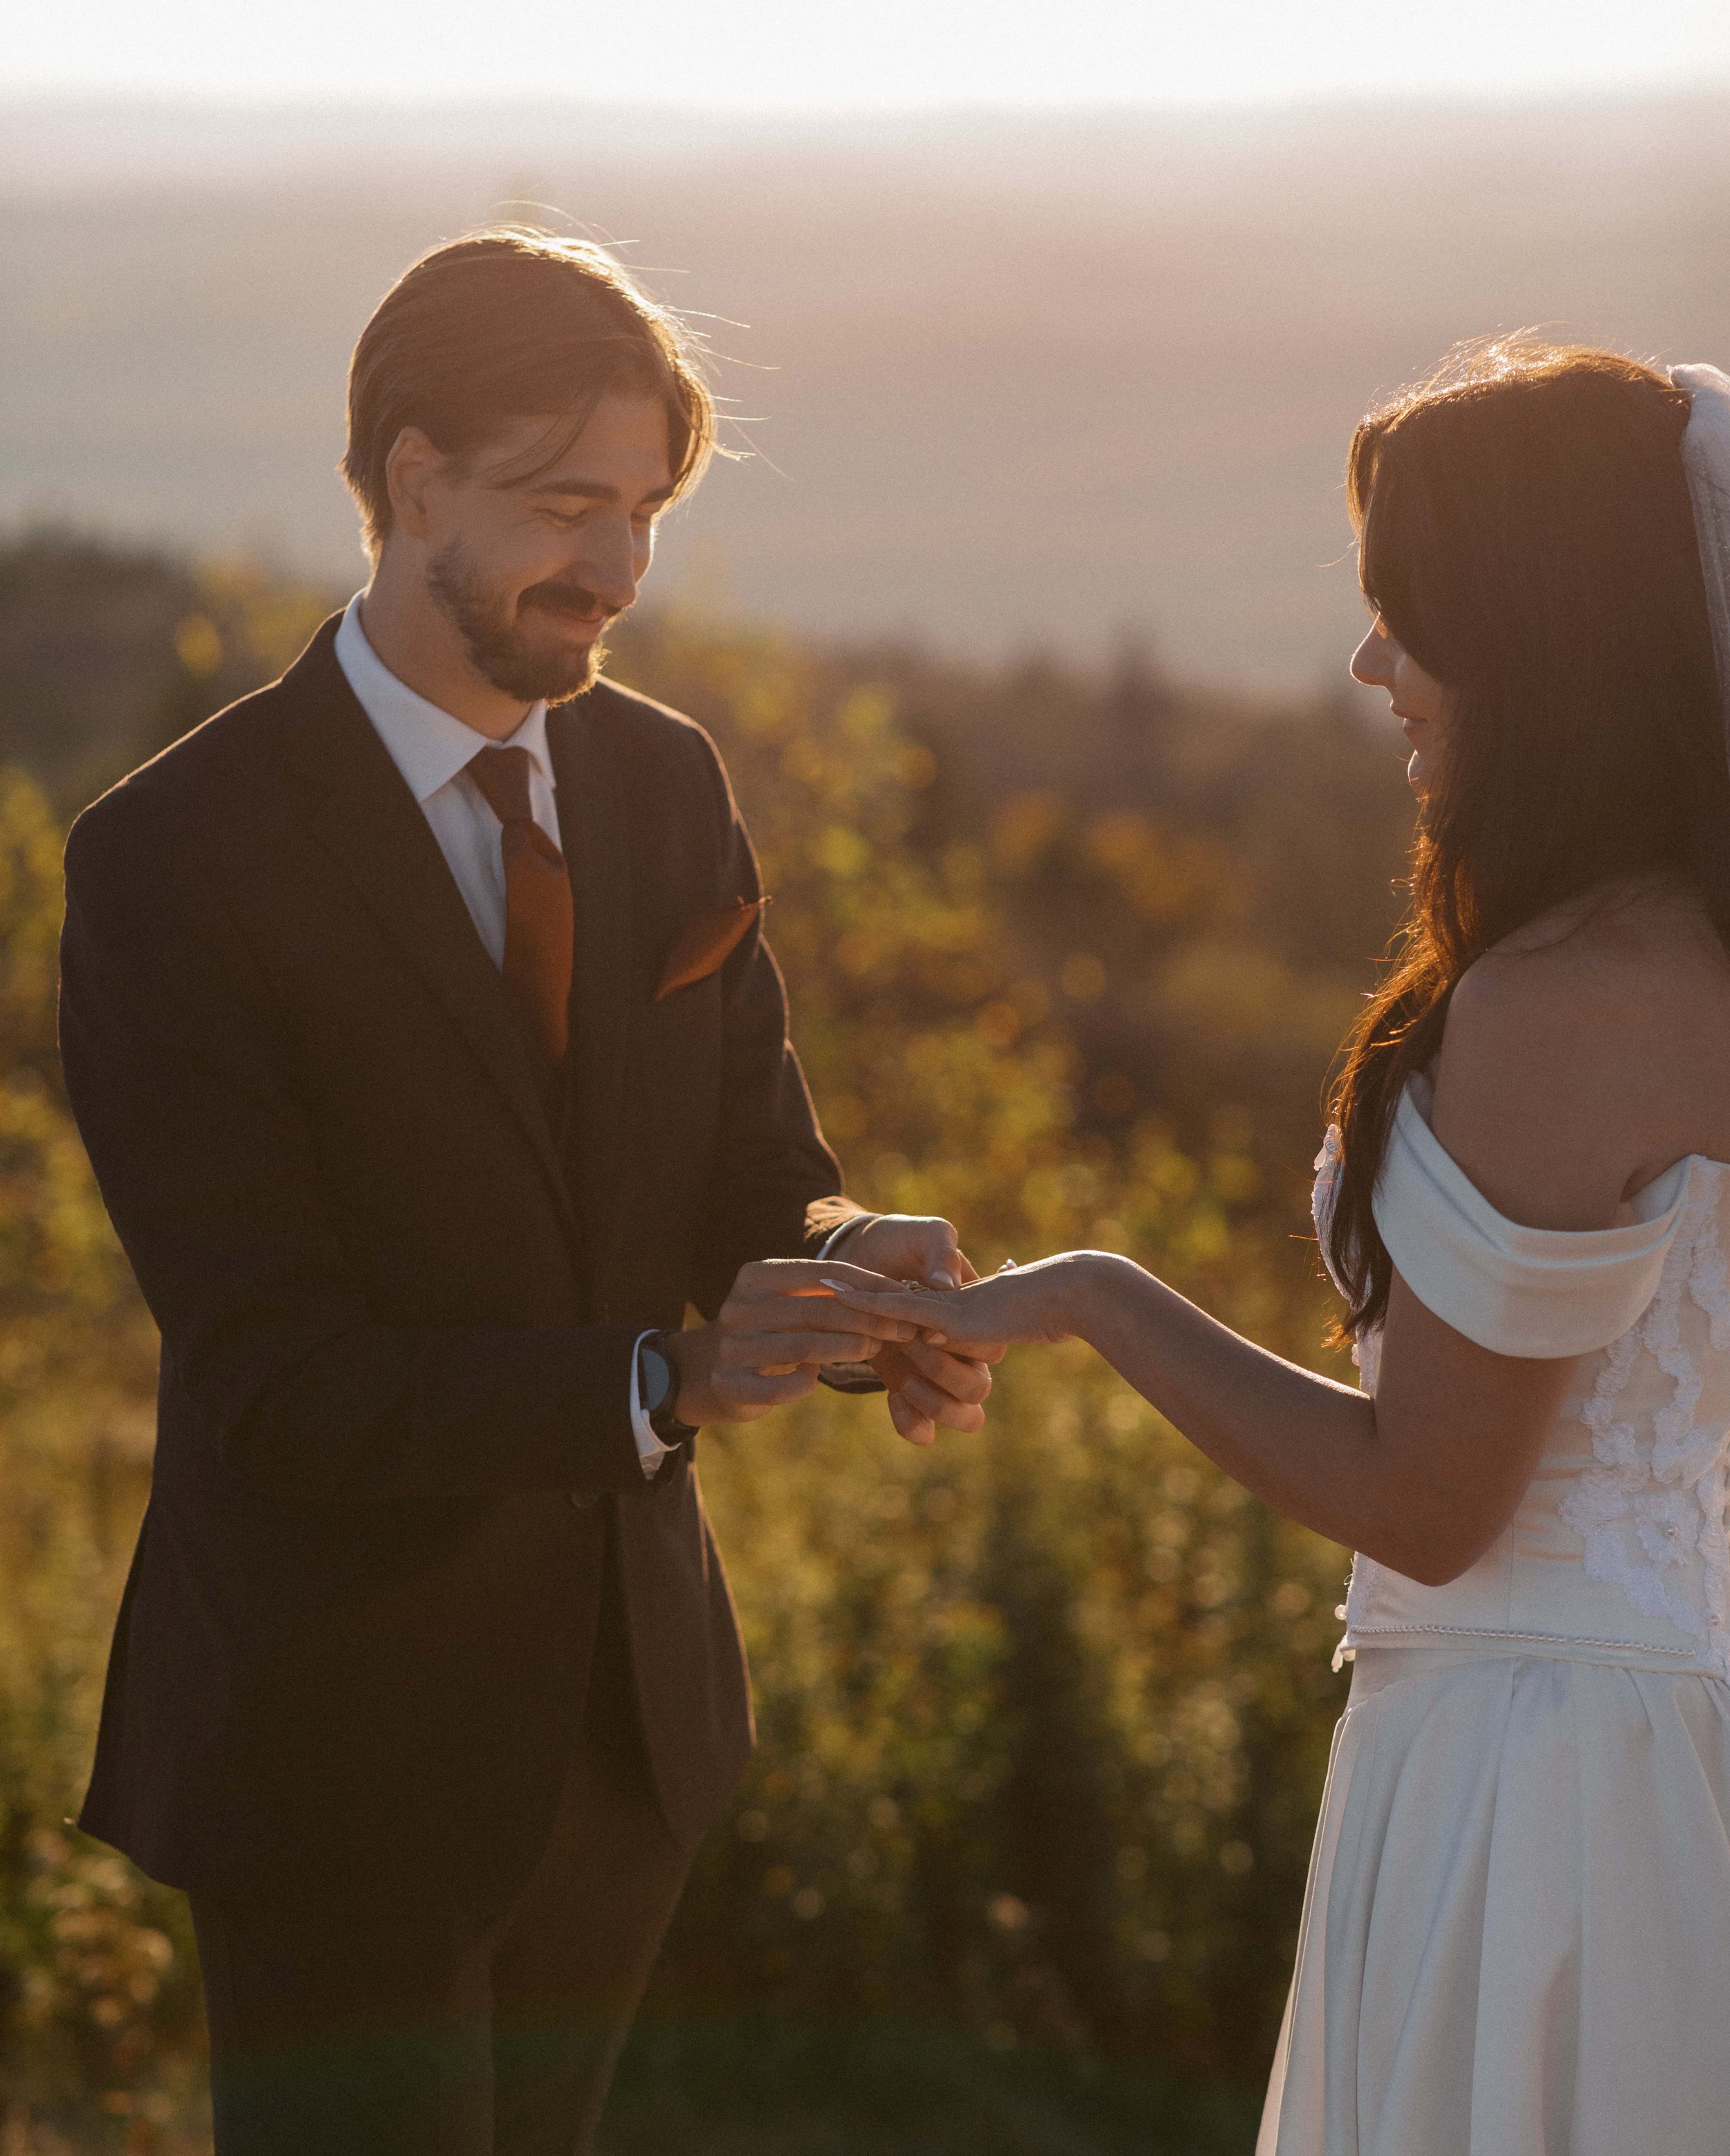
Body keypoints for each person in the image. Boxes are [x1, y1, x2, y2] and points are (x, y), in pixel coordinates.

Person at [57, 227, 995, 2156]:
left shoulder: (664, 785)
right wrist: (653, 1385)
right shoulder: (172, 858)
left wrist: (845, 1270)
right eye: (568, 506)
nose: (620, 569)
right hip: (333, 1741)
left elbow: (755, 1173)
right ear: (413, 484)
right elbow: (277, 1373)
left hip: (625, 1725)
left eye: (644, 510)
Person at [829, 340, 1730, 2153]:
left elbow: (1431, 1500)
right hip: (1648, 1729)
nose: (1367, 665)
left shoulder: (1566, 997)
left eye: (1409, 615)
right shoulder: (1685, 952)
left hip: (1532, 1786)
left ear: (1537, 639)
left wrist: (1086, 1292)